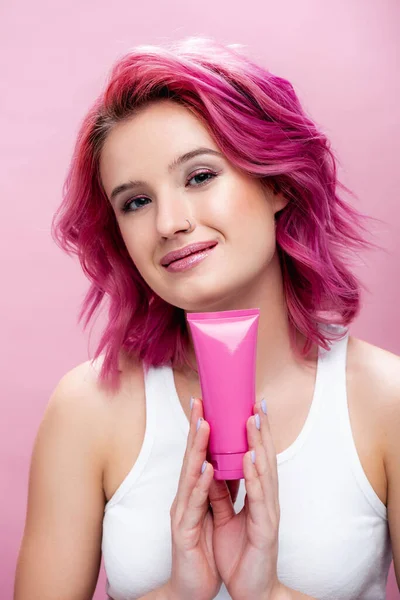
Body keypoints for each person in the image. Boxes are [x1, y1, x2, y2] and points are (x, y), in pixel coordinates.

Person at [14, 36, 399, 600]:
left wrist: (268, 594)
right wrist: (175, 592)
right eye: (135, 202)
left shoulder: (386, 401)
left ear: (275, 180)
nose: (169, 223)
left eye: (199, 177)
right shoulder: (88, 408)